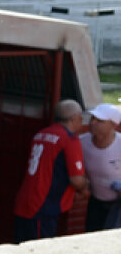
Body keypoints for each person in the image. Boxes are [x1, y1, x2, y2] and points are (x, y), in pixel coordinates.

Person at [13, 99, 87, 243]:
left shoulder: (41, 134)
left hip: (25, 201)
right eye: (80, 117)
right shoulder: (69, 139)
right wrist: (85, 186)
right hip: (43, 205)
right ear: (74, 118)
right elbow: (77, 180)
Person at [79, 103, 121, 231]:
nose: (93, 123)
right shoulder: (81, 142)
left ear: (113, 125)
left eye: (100, 121)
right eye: (92, 118)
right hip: (96, 203)